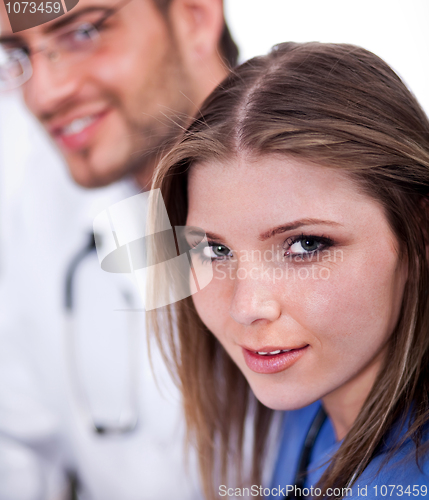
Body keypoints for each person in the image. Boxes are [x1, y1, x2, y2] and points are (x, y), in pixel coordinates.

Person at [149, 42, 429, 499]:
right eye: (215, 251)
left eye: (305, 245)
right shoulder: (306, 408)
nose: (246, 308)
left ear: (420, 233)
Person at [0, 0, 238, 498]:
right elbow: (19, 446)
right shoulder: (33, 206)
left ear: (194, 15)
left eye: (84, 32)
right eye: (17, 51)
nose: (43, 94)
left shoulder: (340, 198)